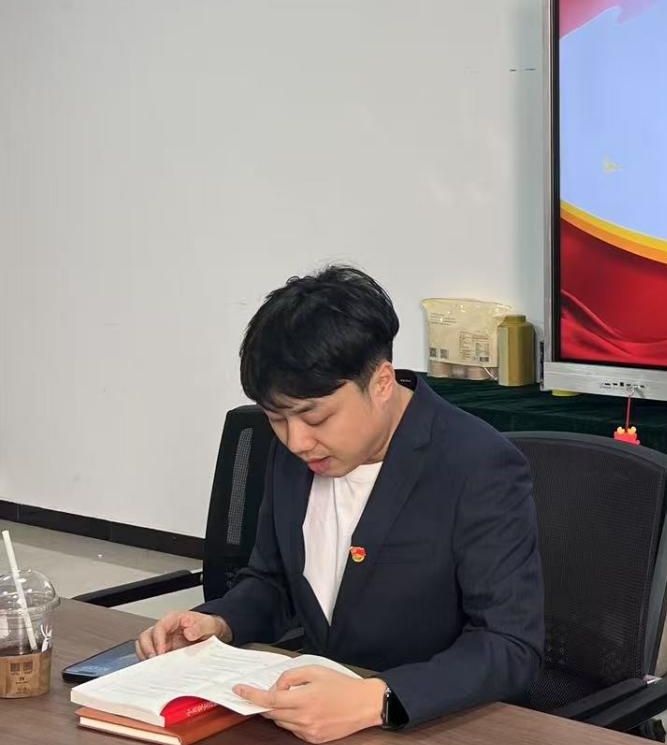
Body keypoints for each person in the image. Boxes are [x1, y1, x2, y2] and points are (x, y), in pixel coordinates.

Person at [134, 266, 543, 743]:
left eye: (315, 418)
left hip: (432, 725)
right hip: (311, 720)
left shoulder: (478, 465)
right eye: (277, 419)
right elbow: (272, 582)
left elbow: (510, 645)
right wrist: (219, 623)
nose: (297, 441)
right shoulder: (297, 454)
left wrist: (377, 698)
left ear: (382, 383)